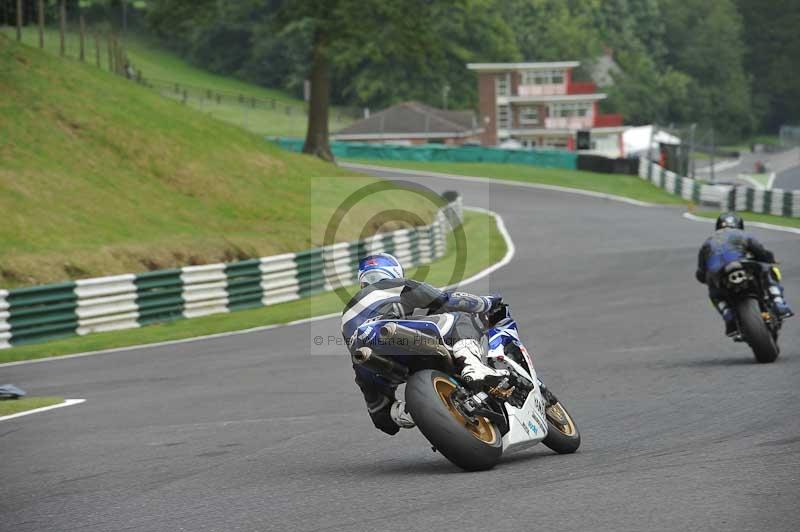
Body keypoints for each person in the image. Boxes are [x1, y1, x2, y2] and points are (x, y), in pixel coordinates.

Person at [341, 252, 511, 435]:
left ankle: (414, 411)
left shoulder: (346, 314)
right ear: (394, 272)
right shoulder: (395, 285)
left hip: (366, 361)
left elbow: (387, 428)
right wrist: (487, 303)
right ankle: (473, 367)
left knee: (382, 417)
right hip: (391, 332)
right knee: (460, 318)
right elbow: (445, 300)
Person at [695, 212, 793, 337]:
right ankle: (778, 302)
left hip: (719, 273)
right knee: (768, 269)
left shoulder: (707, 243)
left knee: (714, 294)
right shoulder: (743, 234)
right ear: (739, 225)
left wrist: (707, 279)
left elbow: (701, 273)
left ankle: (729, 318)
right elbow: (761, 252)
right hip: (744, 266)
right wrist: (769, 260)